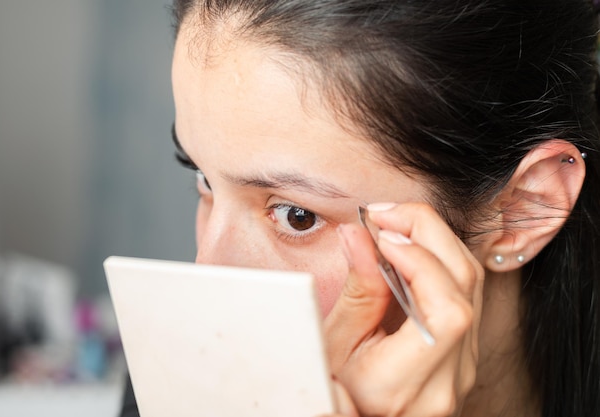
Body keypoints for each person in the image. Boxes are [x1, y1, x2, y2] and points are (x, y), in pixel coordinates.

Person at [120, 0, 600, 416]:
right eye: (203, 177)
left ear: (522, 208)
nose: (205, 273)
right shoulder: (174, 380)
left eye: (296, 216)